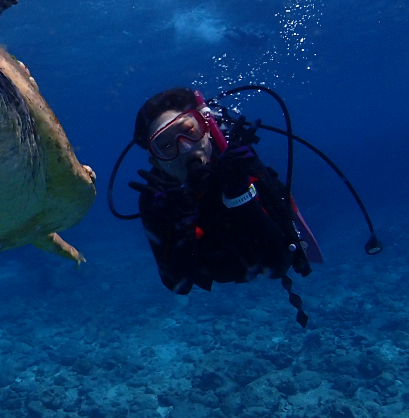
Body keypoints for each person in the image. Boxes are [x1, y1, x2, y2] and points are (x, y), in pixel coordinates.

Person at [127, 87, 313, 322]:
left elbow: (280, 263)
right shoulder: (158, 198)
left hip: (258, 250)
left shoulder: (238, 161)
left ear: (205, 129)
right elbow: (177, 285)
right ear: (156, 161)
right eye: (165, 146)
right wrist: (178, 230)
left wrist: (240, 194)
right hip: (217, 267)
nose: (184, 148)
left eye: (188, 131)